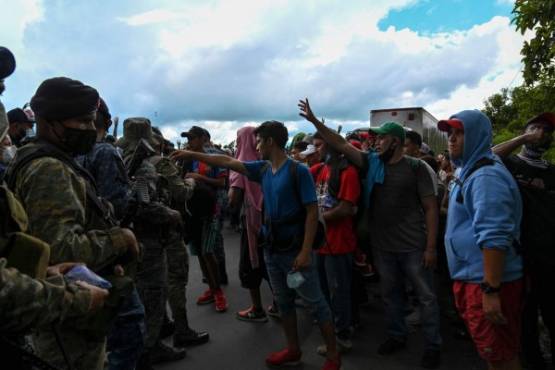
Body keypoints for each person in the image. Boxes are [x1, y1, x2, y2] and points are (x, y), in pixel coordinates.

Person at [171, 120, 341, 370]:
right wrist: (191, 153)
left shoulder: (298, 171)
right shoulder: (263, 169)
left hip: (294, 250)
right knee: (283, 301)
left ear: (270, 141)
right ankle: (293, 350)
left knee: (315, 301)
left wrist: (305, 251)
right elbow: (228, 163)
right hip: (272, 248)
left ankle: (333, 356)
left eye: (259, 141)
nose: (256, 145)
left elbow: (312, 213)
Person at [6, 77, 140, 370]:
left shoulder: (52, 158)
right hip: (68, 323)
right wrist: (118, 240)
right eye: (83, 121)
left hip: (74, 306)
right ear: (51, 122)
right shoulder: (49, 168)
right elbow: (60, 248)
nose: (91, 130)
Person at [299, 98, 442, 369]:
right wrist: (315, 121)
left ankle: (433, 345)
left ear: (395, 142)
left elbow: (431, 208)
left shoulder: (417, 168)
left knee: (426, 297)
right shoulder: (372, 162)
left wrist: (431, 247)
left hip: (413, 246)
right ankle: (397, 335)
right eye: (375, 139)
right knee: (390, 294)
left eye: (381, 138)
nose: (375, 142)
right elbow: (340, 144)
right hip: (383, 245)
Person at [437, 110, 523, 370]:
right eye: (449, 133)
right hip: (476, 278)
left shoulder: (486, 176)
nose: (451, 139)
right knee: (495, 353)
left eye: (460, 133)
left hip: (487, 282)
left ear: (477, 136)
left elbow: (494, 236)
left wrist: (491, 290)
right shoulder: (474, 168)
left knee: (500, 357)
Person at [76, 98, 146, 370]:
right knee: (129, 328)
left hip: (81, 252)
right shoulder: (104, 152)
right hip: (107, 251)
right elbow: (117, 203)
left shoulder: (68, 155)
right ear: (105, 119)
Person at [116, 117, 190, 369]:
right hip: (149, 240)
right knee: (153, 295)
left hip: (134, 238)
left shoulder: (120, 159)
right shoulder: (143, 167)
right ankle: (149, 348)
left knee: (142, 294)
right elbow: (144, 205)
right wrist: (171, 214)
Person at [492, 112, 555, 370]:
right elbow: (488, 156)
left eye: (547, 130)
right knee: (525, 313)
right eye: (535, 127)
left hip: (549, 253)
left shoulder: (552, 171)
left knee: (551, 309)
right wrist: (524, 137)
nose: (541, 132)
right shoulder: (510, 165)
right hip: (520, 253)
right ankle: (532, 360)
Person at [311, 132, 360, 353]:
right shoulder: (322, 169)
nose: (316, 150)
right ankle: (333, 331)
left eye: (320, 145)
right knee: (324, 290)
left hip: (338, 243)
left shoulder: (347, 172)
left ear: (332, 146)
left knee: (338, 292)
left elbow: (346, 208)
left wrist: (318, 219)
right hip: (321, 243)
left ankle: (342, 337)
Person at [180, 125, 229, 312]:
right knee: (199, 252)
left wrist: (198, 178)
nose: (189, 142)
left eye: (192, 138)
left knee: (208, 252)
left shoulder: (214, 158)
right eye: (188, 138)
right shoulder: (186, 159)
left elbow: (222, 183)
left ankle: (218, 292)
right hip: (192, 212)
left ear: (202, 138)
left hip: (210, 211)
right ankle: (211, 287)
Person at [229, 126, 274, 322]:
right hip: (268, 220)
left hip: (250, 223)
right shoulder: (266, 162)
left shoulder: (241, 165)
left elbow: (233, 199)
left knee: (250, 264)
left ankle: (257, 309)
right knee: (269, 262)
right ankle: (280, 303)